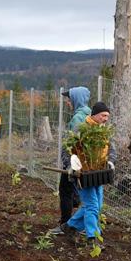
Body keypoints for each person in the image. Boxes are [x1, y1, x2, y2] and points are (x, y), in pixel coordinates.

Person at [62, 102, 116, 245]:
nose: (105, 119)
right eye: (103, 115)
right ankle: (93, 238)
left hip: (98, 174)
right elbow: (67, 148)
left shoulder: (103, 131)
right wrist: (70, 165)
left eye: (107, 116)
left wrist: (110, 161)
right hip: (82, 175)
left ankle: (70, 226)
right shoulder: (82, 129)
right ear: (94, 115)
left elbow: (111, 149)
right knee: (92, 205)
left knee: (96, 206)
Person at [50, 87, 90, 236]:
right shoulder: (89, 114)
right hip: (86, 162)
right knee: (83, 194)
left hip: (75, 162)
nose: (67, 102)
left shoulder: (78, 118)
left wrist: (69, 164)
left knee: (65, 191)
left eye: (69, 99)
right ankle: (83, 224)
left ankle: (66, 224)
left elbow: (72, 143)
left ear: (76, 99)